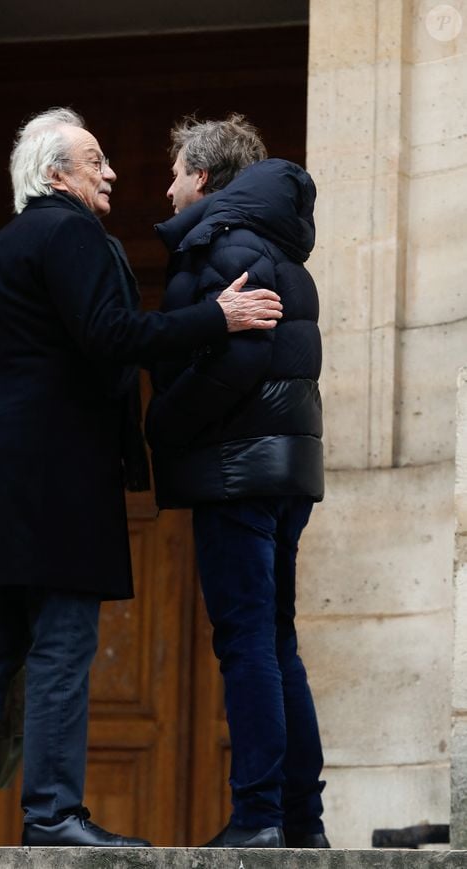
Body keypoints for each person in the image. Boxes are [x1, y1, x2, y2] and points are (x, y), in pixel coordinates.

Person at [0, 107, 283, 848]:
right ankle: (53, 813)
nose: (113, 173)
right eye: (96, 160)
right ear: (56, 171)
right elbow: (113, 336)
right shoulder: (70, 233)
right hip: (58, 476)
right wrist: (216, 317)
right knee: (62, 643)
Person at [146, 114, 329, 848]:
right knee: (275, 641)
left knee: (249, 641)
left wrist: (161, 420)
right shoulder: (275, 243)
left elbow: (240, 355)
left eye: (174, 173)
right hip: (281, 469)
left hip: (238, 469)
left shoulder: (221, 238)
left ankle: (258, 818)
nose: (166, 188)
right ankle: (300, 822)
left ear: (202, 177)